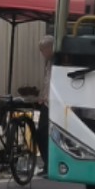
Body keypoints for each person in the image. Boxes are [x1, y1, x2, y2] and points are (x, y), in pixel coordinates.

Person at [35, 35, 53, 176]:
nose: (42, 53)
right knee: (42, 134)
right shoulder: (48, 62)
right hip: (46, 103)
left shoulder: (57, 62)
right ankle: (48, 164)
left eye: (43, 50)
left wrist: (46, 97)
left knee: (43, 133)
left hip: (52, 105)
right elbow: (46, 82)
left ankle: (49, 165)